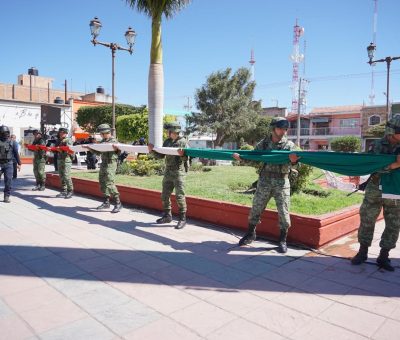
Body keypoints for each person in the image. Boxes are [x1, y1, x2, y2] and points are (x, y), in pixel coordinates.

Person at [233, 117, 299, 253]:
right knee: (256, 209)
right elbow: (254, 158)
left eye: (285, 129)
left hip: (282, 182)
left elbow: (298, 163)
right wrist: (241, 158)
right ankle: (250, 234)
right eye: (280, 128)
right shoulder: (263, 144)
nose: (283, 131)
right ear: (273, 128)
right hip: (265, 181)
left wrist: (293, 161)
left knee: (284, 212)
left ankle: (282, 240)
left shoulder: (289, 146)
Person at [351, 116, 400, 271]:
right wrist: (394, 165)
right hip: (375, 188)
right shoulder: (377, 145)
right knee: (367, 219)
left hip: (395, 191)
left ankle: (384, 256)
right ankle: (362, 252)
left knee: (393, 224)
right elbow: (371, 166)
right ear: (392, 130)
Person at [148, 122, 189, 229]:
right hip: (168, 172)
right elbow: (161, 155)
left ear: (173, 132)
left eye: (168, 131)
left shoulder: (183, 142)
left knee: (179, 196)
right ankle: (167, 216)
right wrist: (152, 150)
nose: (167, 133)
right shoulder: (167, 141)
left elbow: (188, 158)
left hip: (179, 173)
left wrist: (183, 155)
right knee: (164, 195)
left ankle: (182, 219)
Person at [84, 124, 122, 213]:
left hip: (111, 163)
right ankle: (106, 202)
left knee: (109, 182)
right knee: (102, 182)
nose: (100, 134)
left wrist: (116, 149)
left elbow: (119, 152)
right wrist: (89, 148)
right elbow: (98, 152)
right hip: (104, 163)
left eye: (101, 133)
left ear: (105, 132)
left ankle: (118, 203)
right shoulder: (102, 141)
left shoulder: (114, 140)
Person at [0, 125, 21, 202]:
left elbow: (16, 153)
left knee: (8, 181)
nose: (5, 134)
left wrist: (19, 163)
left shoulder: (12, 142)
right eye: (3, 133)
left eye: (6, 132)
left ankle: (6, 196)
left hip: (9, 164)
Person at [54, 127, 73, 198]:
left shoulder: (68, 140)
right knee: (61, 176)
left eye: (63, 133)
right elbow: (55, 149)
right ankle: (64, 190)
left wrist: (61, 150)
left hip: (66, 160)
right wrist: (52, 149)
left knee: (66, 175)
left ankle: (70, 190)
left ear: (66, 133)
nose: (61, 134)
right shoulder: (58, 140)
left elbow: (70, 149)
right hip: (59, 159)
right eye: (60, 133)